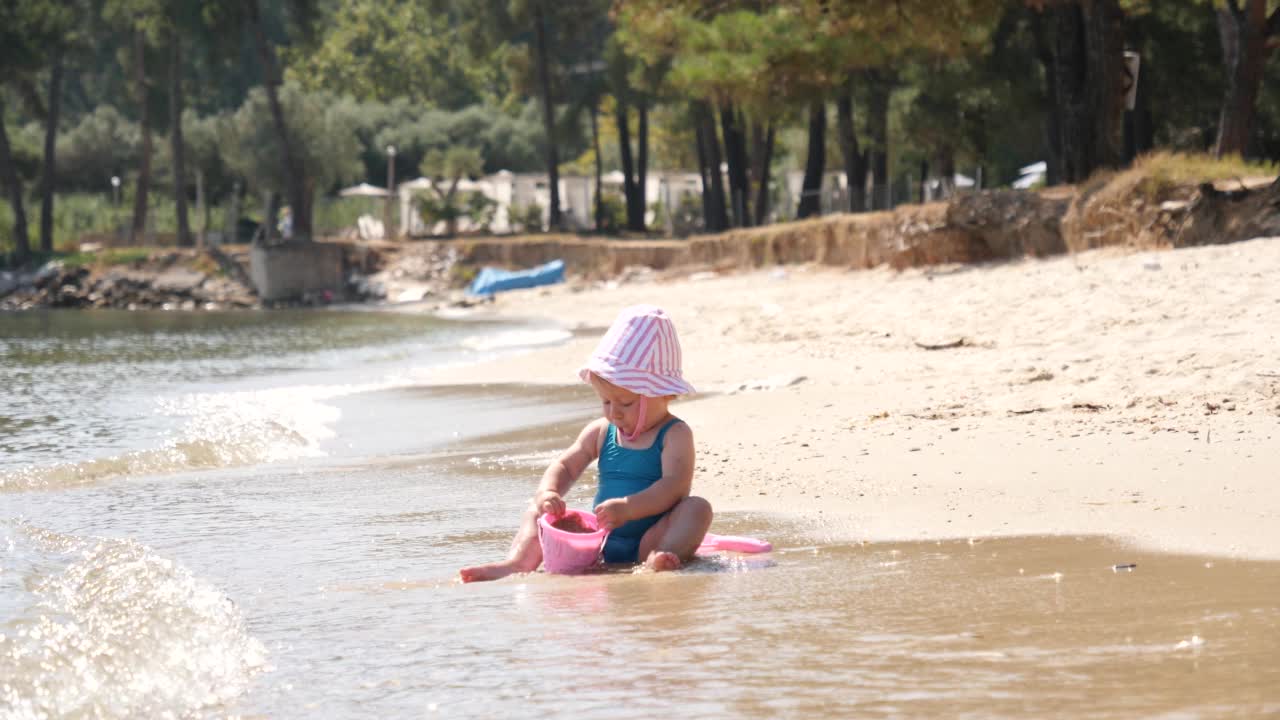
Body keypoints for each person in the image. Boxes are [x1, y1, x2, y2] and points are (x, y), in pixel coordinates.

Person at [460, 305, 713, 582]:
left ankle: (664, 556)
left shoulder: (675, 434)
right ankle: (517, 562)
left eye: (626, 403)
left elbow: (674, 487)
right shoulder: (602, 431)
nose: (614, 412)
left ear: (663, 393)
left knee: (696, 508)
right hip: (598, 541)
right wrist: (549, 492)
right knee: (537, 510)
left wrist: (630, 508)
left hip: (649, 539)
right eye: (606, 401)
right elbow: (567, 465)